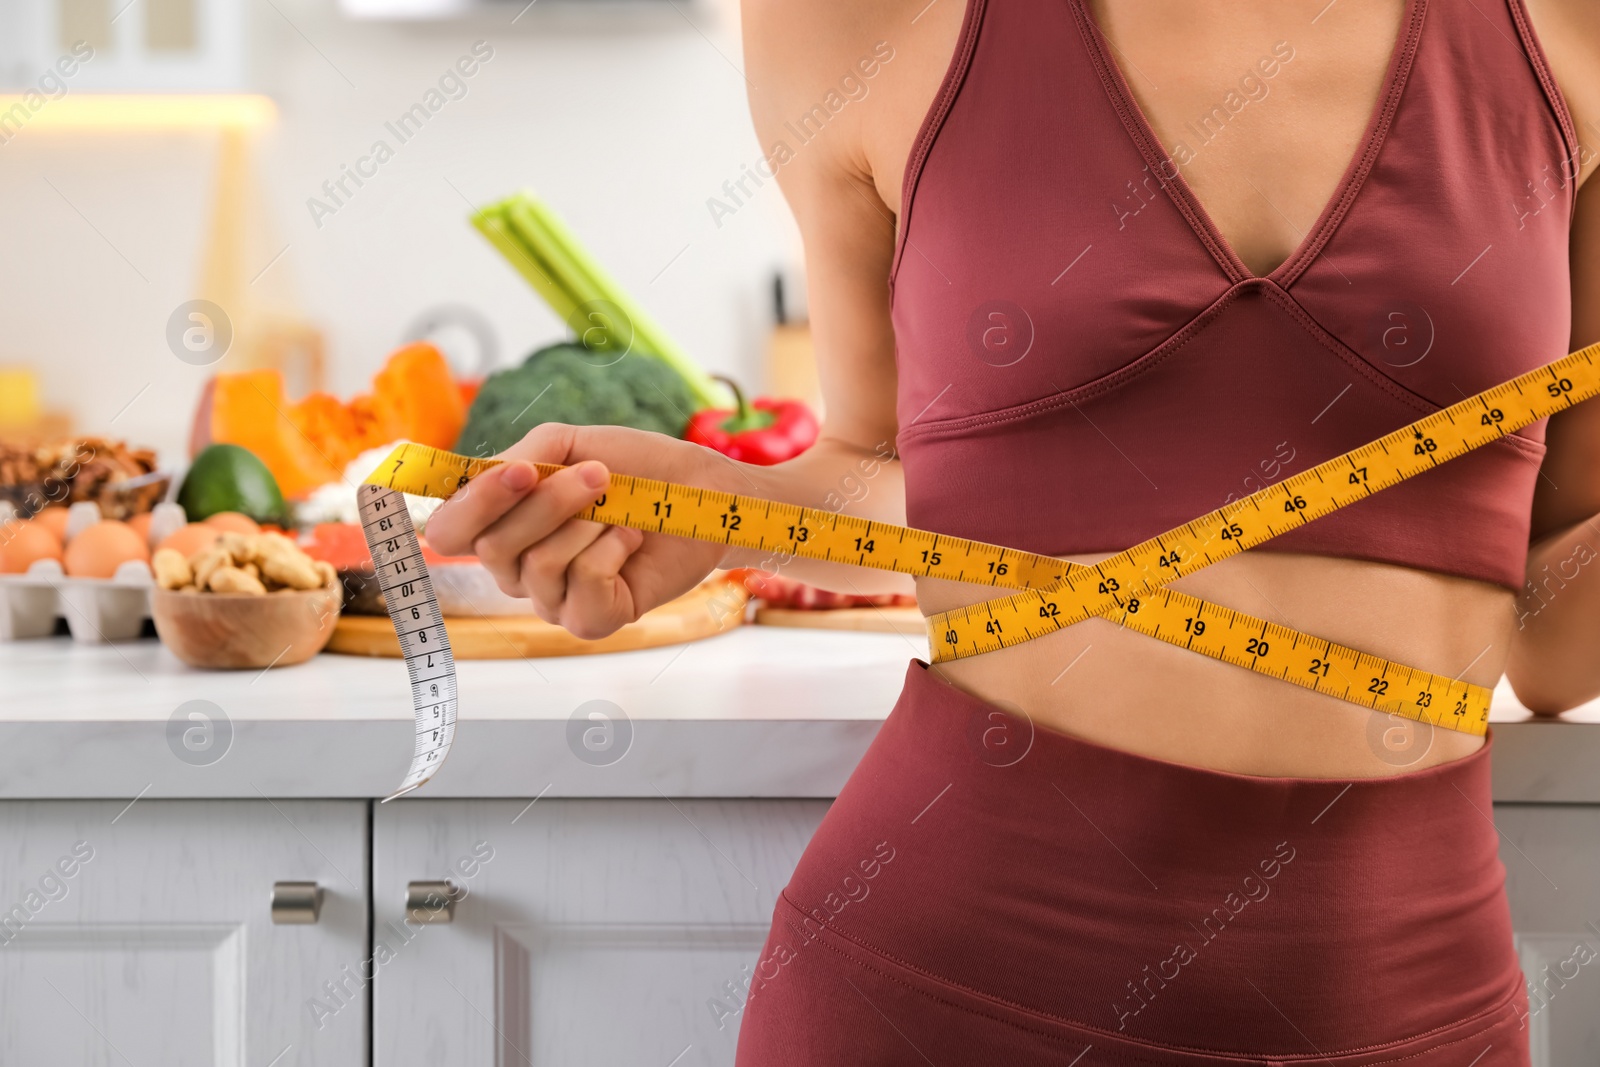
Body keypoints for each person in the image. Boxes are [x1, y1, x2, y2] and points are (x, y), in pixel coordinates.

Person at [425, 0, 1600, 1061]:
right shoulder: (846, 19)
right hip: (946, 987)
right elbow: (897, 474)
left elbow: (1546, 650)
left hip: (1400, 1001)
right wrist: (709, 507)